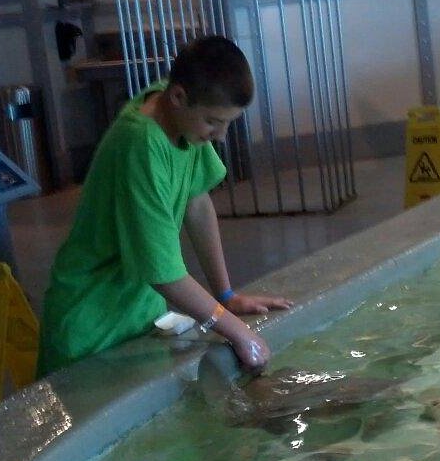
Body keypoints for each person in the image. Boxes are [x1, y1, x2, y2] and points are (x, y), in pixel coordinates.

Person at [37, 35, 292, 377]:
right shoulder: (141, 145)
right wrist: (235, 329)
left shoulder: (180, 113)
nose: (220, 135)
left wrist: (226, 294)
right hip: (89, 325)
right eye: (214, 122)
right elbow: (165, 275)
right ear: (178, 97)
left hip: (138, 312)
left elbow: (197, 201)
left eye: (229, 122)